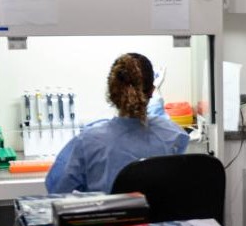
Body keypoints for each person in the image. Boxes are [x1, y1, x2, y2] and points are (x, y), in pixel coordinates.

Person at [45, 53, 189, 194]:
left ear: (111, 91)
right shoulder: (174, 134)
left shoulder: (88, 141)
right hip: (158, 211)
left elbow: (57, 189)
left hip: (109, 211)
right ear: (152, 91)